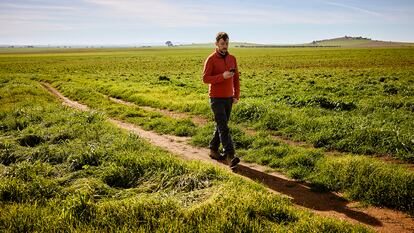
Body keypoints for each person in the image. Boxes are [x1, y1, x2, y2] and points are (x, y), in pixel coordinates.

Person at [202, 32, 240, 169]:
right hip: (216, 98)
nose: (225, 46)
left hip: (229, 98)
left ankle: (213, 149)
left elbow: (236, 78)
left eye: (227, 43)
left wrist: (236, 95)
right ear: (216, 44)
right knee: (223, 127)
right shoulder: (211, 59)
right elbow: (205, 79)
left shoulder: (232, 58)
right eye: (222, 44)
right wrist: (222, 76)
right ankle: (230, 155)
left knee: (221, 125)